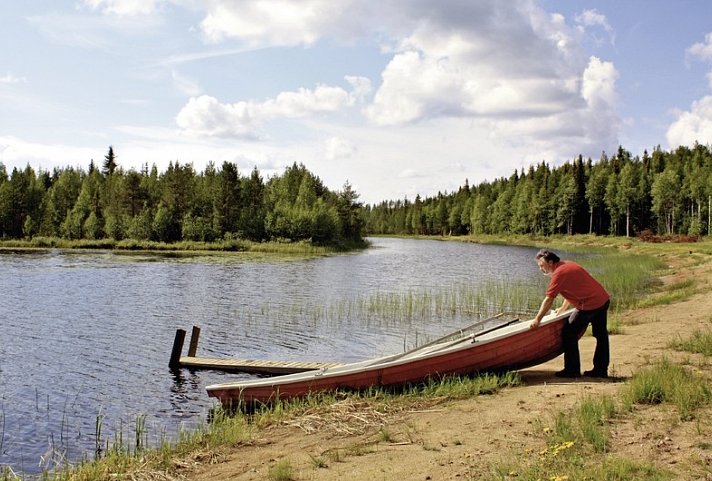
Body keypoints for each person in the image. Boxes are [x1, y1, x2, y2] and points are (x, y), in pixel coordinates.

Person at [530, 249, 610, 378]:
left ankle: (572, 370)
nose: (541, 269)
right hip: (603, 299)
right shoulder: (567, 264)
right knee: (601, 335)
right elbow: (573, 287)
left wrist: (537, 319)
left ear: (550, 262)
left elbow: (549, 298)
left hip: (590, 304)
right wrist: (562, 308)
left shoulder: (558, 274)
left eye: (541, 265)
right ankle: (601, 370)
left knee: (568, 332)